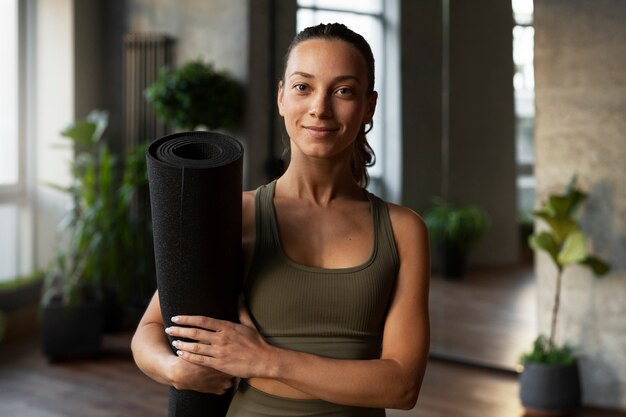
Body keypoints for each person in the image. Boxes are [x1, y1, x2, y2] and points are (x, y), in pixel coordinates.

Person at [131, 22, 430, 416]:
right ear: (281, 98)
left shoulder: (402, 230)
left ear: (369, 105)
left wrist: (264, 361)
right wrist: (176, 370)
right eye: (303, 87)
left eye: (343, 91)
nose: (319, 108)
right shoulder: (238, 215)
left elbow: (402, 386)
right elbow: (149, 332)